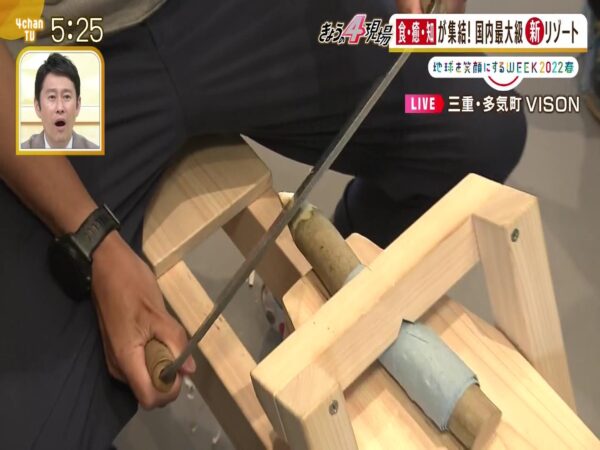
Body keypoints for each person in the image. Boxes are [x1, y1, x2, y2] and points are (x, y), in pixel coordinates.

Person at [0, 0, 525, 448]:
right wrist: (93, 239)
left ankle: (325, 277)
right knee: (30, 428)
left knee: (482, 128)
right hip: (68, 53)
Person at [21, 53, 99, 149]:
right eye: (52, 97)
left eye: (66, 96)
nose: (60, 108)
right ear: (37, 106)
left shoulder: (94, 151)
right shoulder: (21, 152)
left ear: (78, 105)